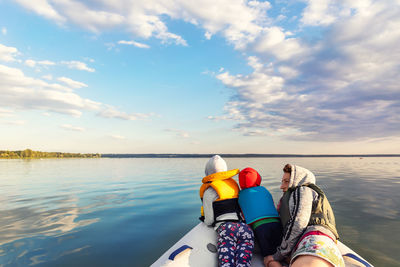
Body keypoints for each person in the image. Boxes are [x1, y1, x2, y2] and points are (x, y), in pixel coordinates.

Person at [264, 164, 345, 267]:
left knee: (269, 260)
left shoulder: (303, 190)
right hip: (301, 244)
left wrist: (277, 255)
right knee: (269, 261)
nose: (281, 186)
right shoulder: (288, 198)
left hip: (314, 236)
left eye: (287, 181)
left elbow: (298, 224)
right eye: (282, 181)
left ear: (297, 180)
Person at [199, 155, 254, 267]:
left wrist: (206, 221)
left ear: (207, 172)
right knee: (243, 262)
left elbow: (209, 220)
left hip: (227, 229)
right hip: (244, 228)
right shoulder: (233, 185)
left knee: (226, 262)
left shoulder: (209, 191)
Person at [238, 167, 283, 267]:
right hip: (276, 223)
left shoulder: (240, 195)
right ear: (257, 179)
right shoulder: (264, 190)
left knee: (268, 257)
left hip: (260, 227)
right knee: (283, 252)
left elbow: (243, 215)